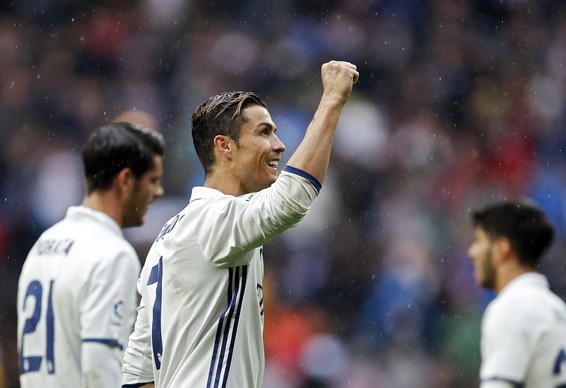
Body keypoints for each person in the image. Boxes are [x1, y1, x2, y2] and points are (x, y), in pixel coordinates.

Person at [121, 60, 359, 387]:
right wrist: (332, 99)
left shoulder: (166, 238)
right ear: (225, 146)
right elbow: (291, 199)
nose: (279, 145)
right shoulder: (215, 219)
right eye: (264, 132)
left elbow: (138, 372)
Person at [17, 122, 165, 387]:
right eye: (153, 180)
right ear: (126, 180)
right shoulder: (112, 253)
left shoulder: (42, 245)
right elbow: (101, 365)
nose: (158, 191)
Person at [467, 199, 566, 387]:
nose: (472, 252)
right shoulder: (562, 313)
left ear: (502, 249)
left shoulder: (511, 309)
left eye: (479, 240)